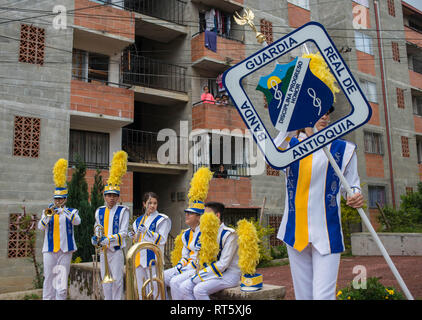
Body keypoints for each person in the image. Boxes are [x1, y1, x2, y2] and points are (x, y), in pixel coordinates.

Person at [274, 108, 364, 300]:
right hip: (295, 230)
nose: (325, 116)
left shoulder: (343, 149)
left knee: (323, 296)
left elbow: (352, 185)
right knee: (303, 296)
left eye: (328, 112)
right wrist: (293, 121)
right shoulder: (289, 146)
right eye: (319, 111)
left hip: (327, 231)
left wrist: (355, 195)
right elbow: (271, 155)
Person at [179, 202, 241, 300]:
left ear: (217, 215)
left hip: (229, 275)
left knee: (199, 289)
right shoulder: (207, 233)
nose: (203, 218)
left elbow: (223, 264)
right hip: (212, 273)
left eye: (206, 215)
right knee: (184, 287)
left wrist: (201, 275)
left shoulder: (229, 234)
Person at [38, 158, 81, 300]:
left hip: (65, 250)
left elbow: (77, 222)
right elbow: (40, 227)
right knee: (48, 280)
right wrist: (49, 216)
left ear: (65, 199)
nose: (58, 202)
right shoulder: (47, 211)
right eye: (56, 199)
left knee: (61, 282)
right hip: (49, 250)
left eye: (61, 199)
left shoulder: (72, 211)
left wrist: (65, 212)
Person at [91, 151, 130, 300]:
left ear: (118, 197)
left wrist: (109, 239)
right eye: (108, 195)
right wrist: (96, 239)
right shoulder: (99, 211)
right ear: (104, 196)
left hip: (116, 250)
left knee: (117, 281)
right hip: (103, 251)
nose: (111, 198)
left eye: (114, 195)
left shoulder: (123, 210)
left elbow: (124, 232)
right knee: (105, 281)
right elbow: (97, 228)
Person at [129, 192, 171, 300]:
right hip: (139, 259)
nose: (152, 206)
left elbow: (162, 239)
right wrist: (133, 236)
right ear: (144, 204)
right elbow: (138, 241)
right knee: (141, 290)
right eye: (149, 203)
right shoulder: (137, 221)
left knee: (157, 290)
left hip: (153, 259)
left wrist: (147, 232)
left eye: (155, 203)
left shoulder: (162, 219)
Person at [163, 206, 202, 300]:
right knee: (160, 277)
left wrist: (187, 268)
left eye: (190, 213)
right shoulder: (186, 234)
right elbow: (185, 256)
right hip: (186, 267)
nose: (187, 215)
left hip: (198, 268)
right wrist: (180, 266)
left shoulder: (204, 233)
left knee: (174, 282)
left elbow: (201, 258)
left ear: (199, 217)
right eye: (186, 212)